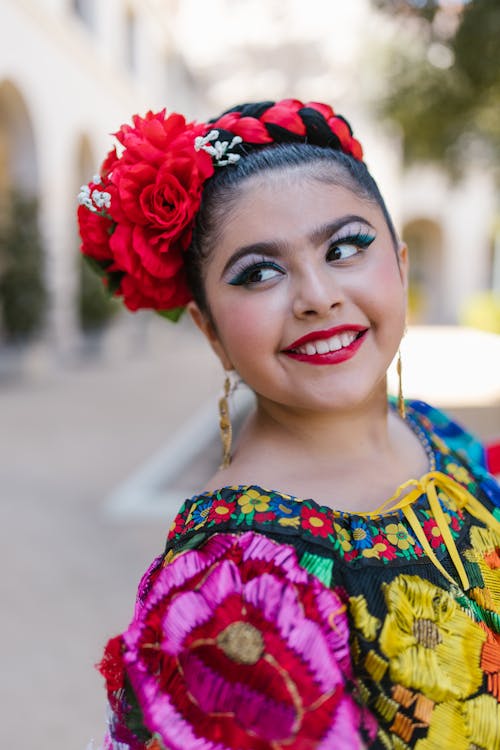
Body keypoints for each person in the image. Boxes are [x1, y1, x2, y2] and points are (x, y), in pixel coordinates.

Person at [78, 99, 500, 750]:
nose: (318, 295)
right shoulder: (231, 588)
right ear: (210, 331)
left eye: (346, 247)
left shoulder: (431, 432)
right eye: (260, 272)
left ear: (402, 265)